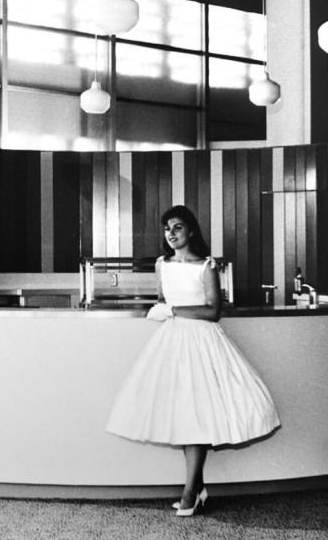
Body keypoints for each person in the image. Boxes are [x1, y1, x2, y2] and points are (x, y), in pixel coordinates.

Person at [105, 205, 280, 516]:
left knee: (197, 414)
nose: (171, 234)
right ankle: (195, 488)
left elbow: (213, 311)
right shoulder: (162, 264)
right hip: (172, 344)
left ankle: (190, 491)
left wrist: (173, 311)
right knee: (184, 414)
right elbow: (162, 300)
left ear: (191, 231)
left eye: (177, 228)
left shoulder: (206, 266)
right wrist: (164, 309)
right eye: (167, 229)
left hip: (203, 343)